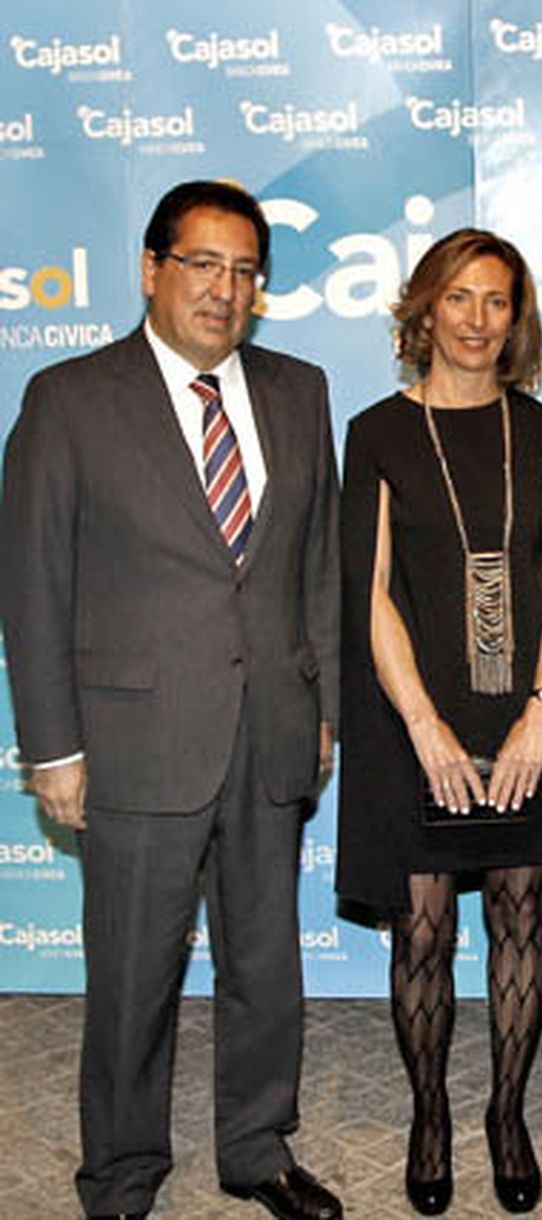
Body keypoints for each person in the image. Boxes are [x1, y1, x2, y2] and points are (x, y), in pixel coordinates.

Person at [0, 180, 342, 1220]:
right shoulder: (69, 398)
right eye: (201, 264)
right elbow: (33, 582)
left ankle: (255, 1144)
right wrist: (51, 746)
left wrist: (323, 700)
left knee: (265, 964)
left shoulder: (299, 390)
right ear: (151, 269)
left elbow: (317, 561)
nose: (223, 290)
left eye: (244, 272)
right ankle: (120, 1171)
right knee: (133, 977)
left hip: (271, 727)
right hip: (135, 736)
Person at [336, 229, 542, 1215]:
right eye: (460, 296)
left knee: (521, 915)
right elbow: (370, 596)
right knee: (425, 932)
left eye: (498, 300)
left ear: (515, 319)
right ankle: (432, 1112)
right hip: (418, 714)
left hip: (525, 708)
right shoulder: (378, 433)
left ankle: (508, 1113)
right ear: (423, 308)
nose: (478, 318)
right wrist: (426, 729)